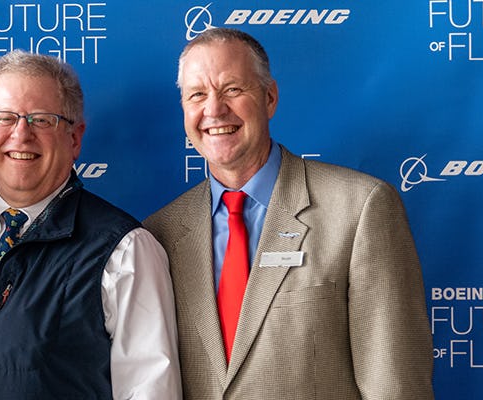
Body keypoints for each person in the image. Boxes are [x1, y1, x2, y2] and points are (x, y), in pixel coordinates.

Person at [143, 28, 434, 399]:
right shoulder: (161, 232)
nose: (213, 109)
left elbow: (396, 385)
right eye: (197, 95)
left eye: (232, 89)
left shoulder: (361, 208)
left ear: (269, 97)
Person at [0, 50, 181, 399]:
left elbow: (151, 391)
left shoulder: (124, 250)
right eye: (4, 118)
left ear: (75, 138)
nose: (21, 134)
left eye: (42, 120)